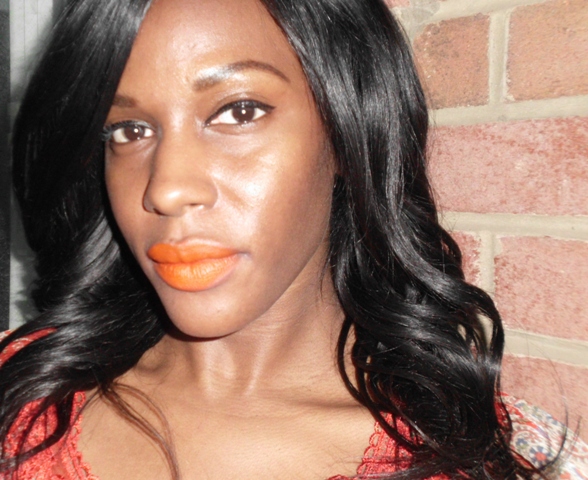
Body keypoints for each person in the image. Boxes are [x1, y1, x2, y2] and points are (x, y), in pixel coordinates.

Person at [1, 0, 587, 478]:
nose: (168, 188)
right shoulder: (17, 390)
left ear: (348, 128)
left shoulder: (489, 459)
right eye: (128, 129)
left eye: (239, 111)